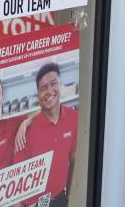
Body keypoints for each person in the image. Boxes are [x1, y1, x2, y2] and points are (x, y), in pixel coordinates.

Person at [15, 62, 78, 207]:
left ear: (60, 85)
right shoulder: (27, 132)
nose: (49, 91)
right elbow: (17, 185)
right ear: (38, 95)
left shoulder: (74, 117)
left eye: (54, 84)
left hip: (60, 198)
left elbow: (73, 159)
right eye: (43, 88)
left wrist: (69, 196)